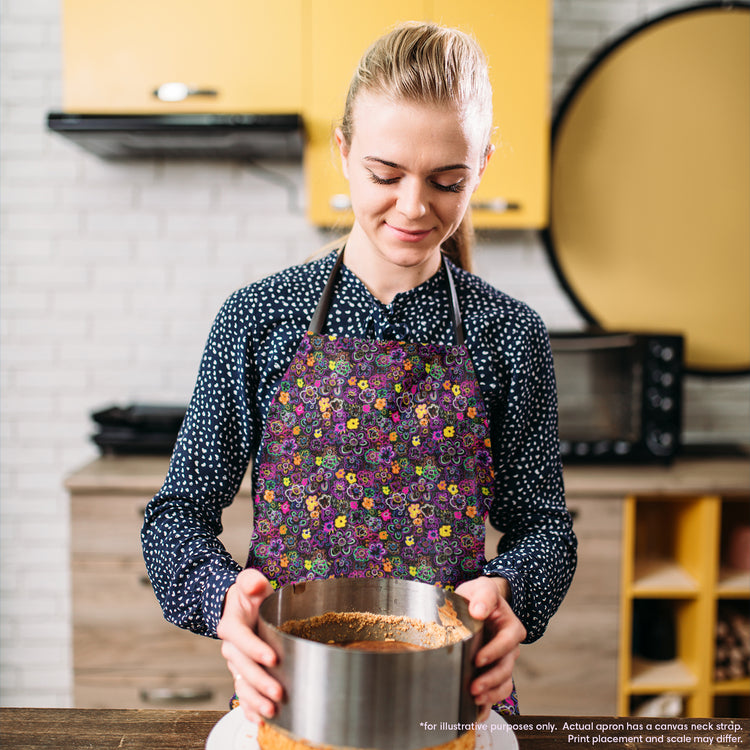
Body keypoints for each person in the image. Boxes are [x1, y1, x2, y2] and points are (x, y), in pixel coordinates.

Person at [141, 20, 577, 725]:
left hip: (451, 700)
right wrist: (225, 602)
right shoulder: (260, 318)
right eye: (385, 174)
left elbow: (545, 529)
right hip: (292, 697)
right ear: (343, 155)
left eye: (447, 181)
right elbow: (175, 518)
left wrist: (515, 596)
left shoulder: (509, 336)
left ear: (483, 167)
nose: (413, 206)